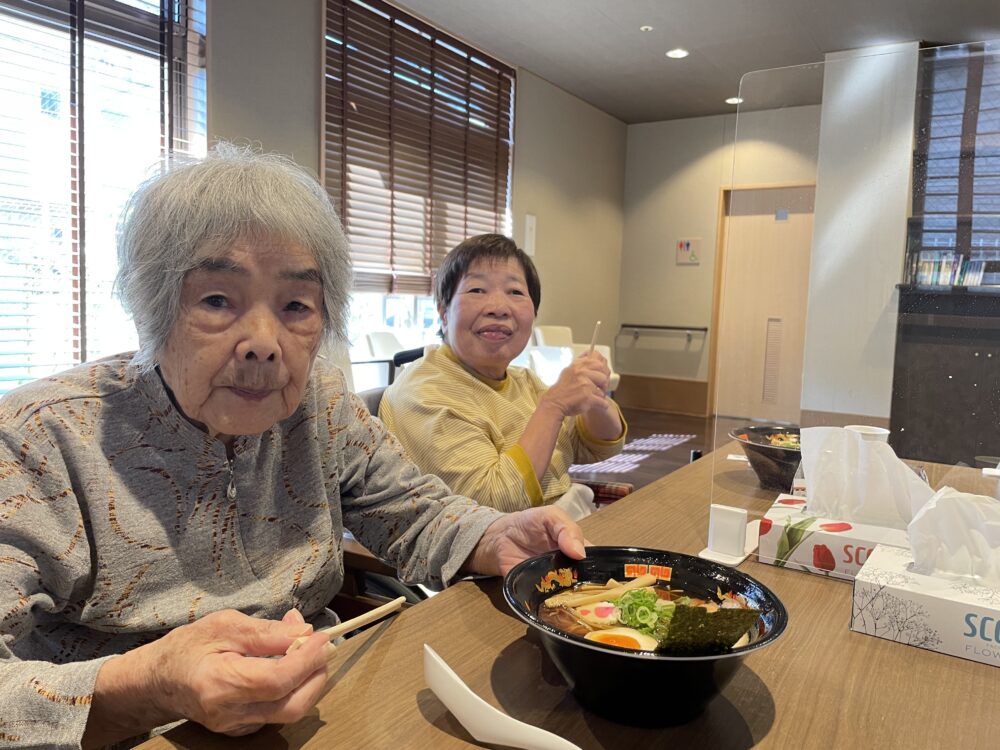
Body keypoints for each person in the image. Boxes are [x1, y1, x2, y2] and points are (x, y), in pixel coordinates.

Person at [0, 146, 587, 749]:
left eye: (296, 306)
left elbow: (418, 513)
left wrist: (493, 535)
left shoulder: (320, 405)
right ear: (154, 310)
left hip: (319, 711)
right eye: (216, 300)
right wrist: (149, 684)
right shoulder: (38, 437)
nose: (263, 342)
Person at [379, 234, 626, 516]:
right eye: (477, 290)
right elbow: (491, 504)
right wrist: (553, 406)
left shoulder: (524, 381)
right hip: (493, 551)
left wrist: (595, 399)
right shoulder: (424, 393)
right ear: (444, 313)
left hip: (562, 527)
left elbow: (597, 447)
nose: (498, 307)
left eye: (515, 292)